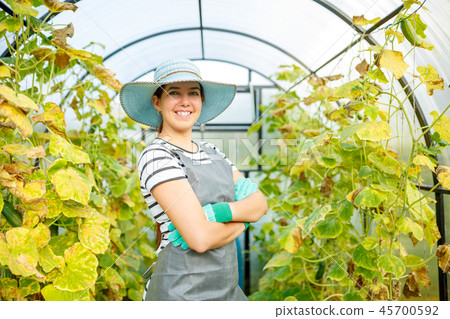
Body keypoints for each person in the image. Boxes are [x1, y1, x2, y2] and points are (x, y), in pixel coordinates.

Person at [120, 58, 268, 301]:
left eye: (194, 93)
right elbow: (200, 239)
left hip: (228, 292)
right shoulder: (157, 156)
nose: (185, 101)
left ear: (202, 101)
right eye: (174, 92)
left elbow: (261, 204)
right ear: (157, 102)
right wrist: (245, 219)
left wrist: (217, 213)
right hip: (179, 293)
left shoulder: (212, 151)